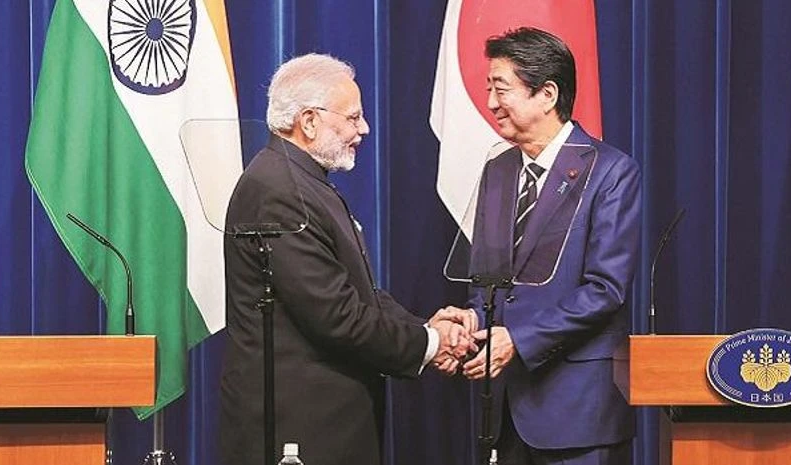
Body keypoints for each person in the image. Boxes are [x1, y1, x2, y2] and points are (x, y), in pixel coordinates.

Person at [219, 54, 476, 465]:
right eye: (353, 117)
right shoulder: (280, 191)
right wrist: (431, 343)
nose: (364, 128)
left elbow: (356, 292)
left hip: (325, 424)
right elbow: (336, 317)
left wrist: (422, 327)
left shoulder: (301, 181)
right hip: (299, 429)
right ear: (309, 121)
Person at [461, 28, 641, 465]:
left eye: (501, 88)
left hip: (578, 410)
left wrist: (518, 340)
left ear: (547, 95)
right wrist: (470, 320)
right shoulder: (498, 171)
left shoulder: (610, 172)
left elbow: (605, 289)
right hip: (504, 409)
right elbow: (487, 279)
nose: (490, 103)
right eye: (488, 89)